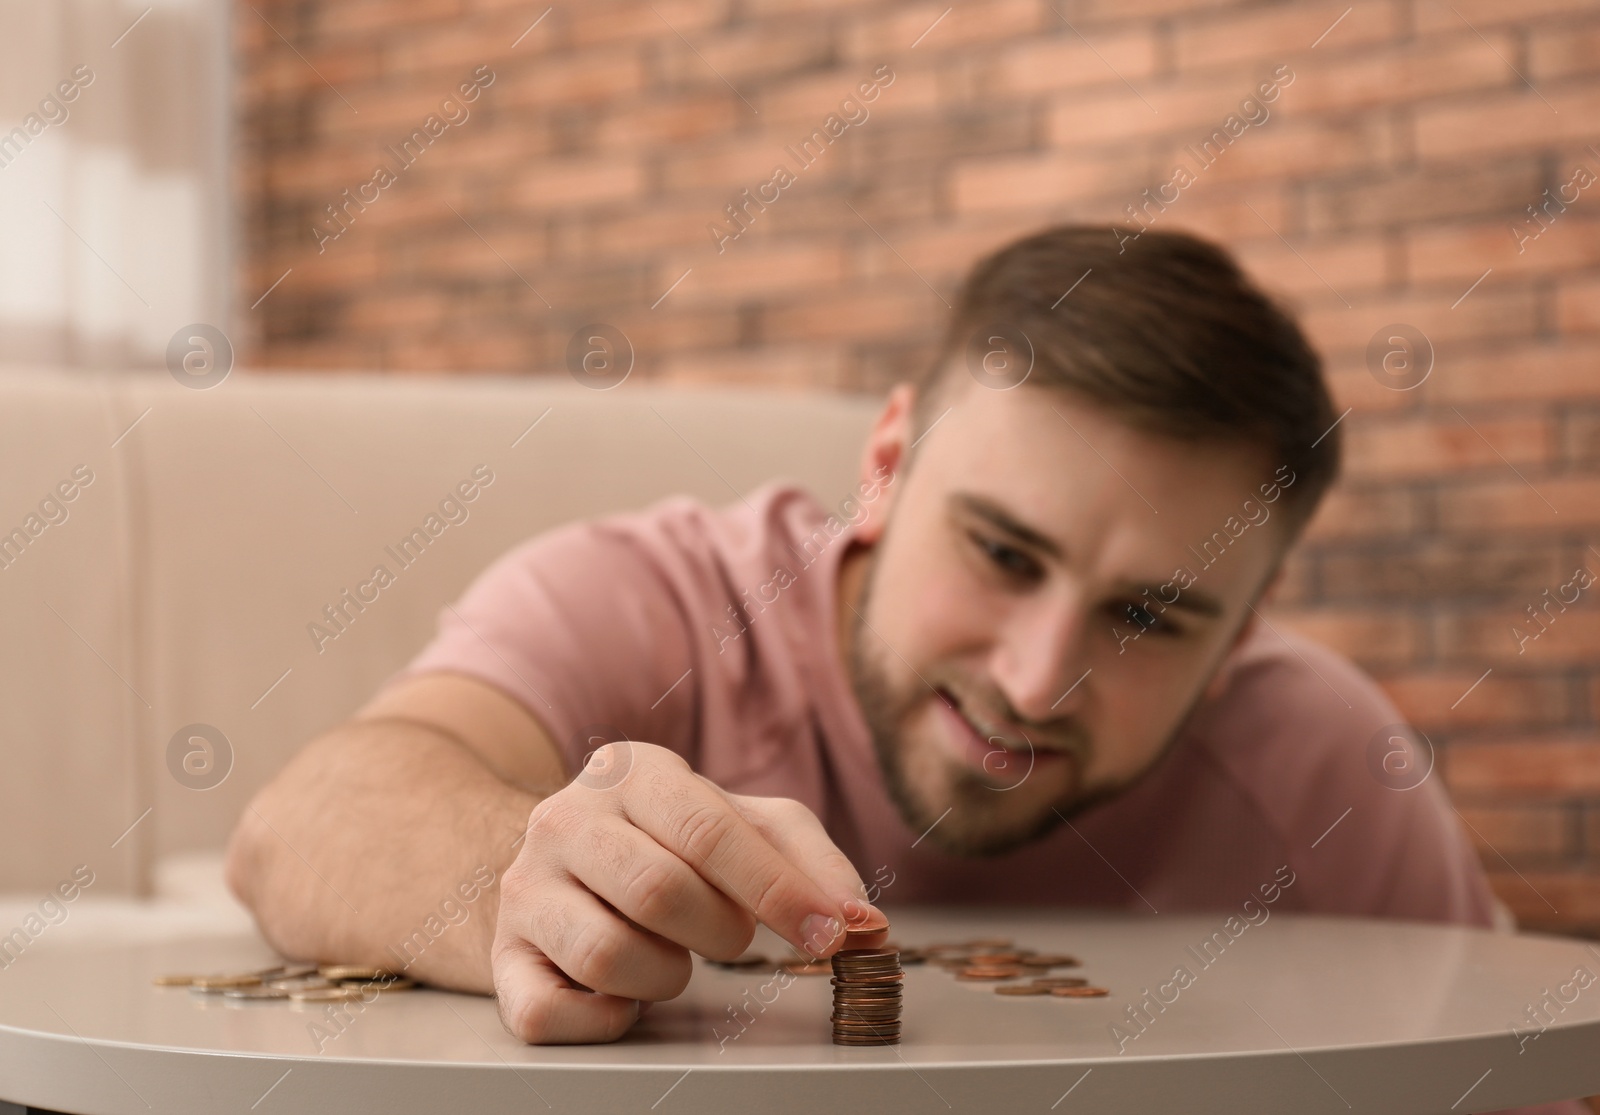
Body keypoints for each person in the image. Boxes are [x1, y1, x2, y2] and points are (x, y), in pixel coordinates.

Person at [224, 224, 1585, 1113]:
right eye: (999, 551)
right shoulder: (653, 599)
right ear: (885, 465)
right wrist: (527, 874)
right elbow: (302, 828)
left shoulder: (1332, 767)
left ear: (1251, 624)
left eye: (1155, 618)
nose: (1040, 677)